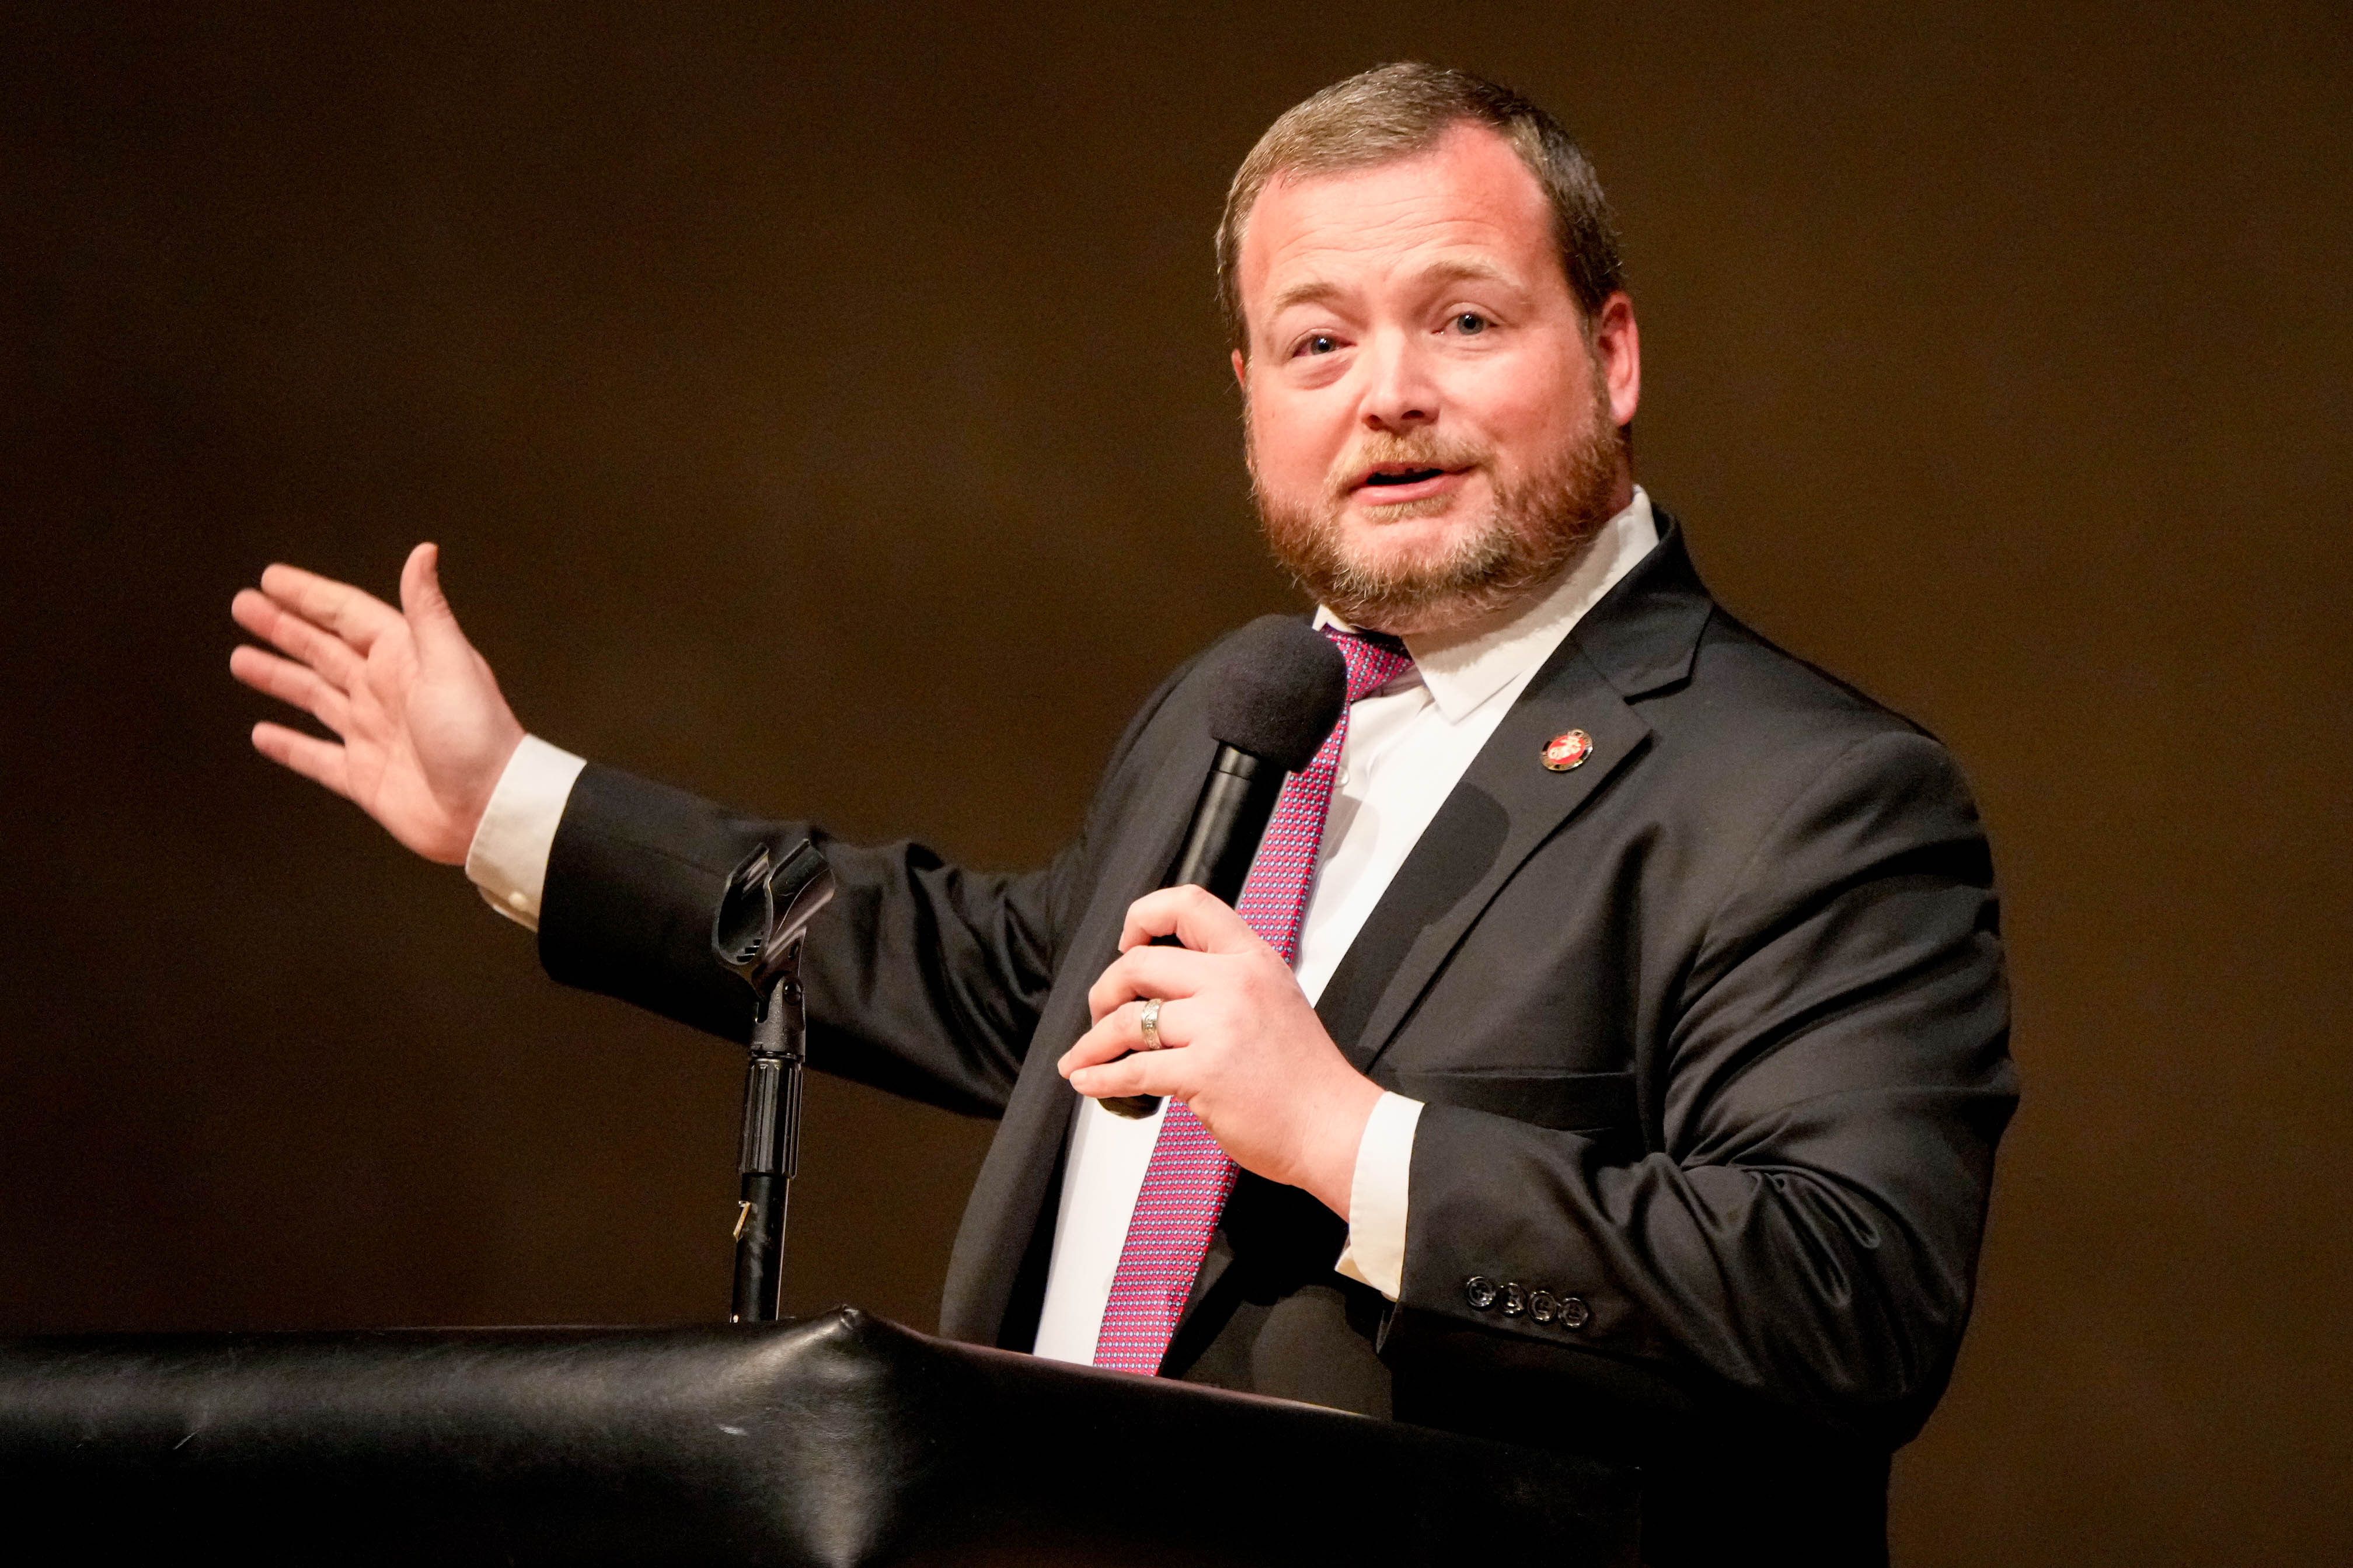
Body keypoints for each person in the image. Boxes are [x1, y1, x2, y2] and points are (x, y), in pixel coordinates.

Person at [228, 64, 2014, 1566]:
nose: (1387, 392)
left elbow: (1847, 1299)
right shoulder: (1243, 716)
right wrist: (516, 806)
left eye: (1463, 320)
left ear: (1612, 354)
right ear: (1249, 400)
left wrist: (1348, 1137)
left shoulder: (1811, 794)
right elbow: (1006, 982)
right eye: (1315, 342)